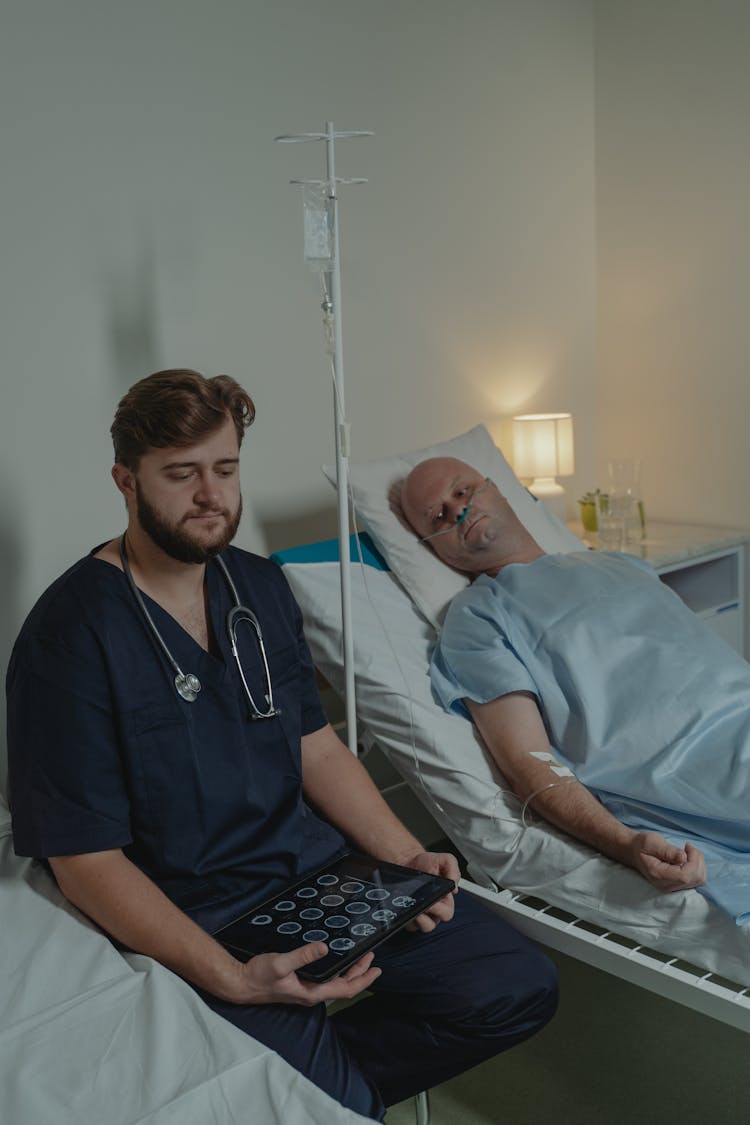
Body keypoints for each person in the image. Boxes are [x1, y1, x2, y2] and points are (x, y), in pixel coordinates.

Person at [6, 373, 557, 1123]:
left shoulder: (258, 587)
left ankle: (335, 1081)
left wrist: (404, 856)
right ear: (125, 481)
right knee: (336, 1106)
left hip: (320, 877)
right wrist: (232, 977)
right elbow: (84, 860)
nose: (210, 494)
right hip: (202, 919)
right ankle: (335, 1089)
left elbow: (316, 747)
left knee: (514, 983)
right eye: (181, 474)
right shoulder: (69, 635)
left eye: (225, 470)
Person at [400, 455, 750, 916]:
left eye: (463, 492)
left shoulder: (618, 564)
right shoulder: (478, 616)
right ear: (435, 548)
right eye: (438, 516)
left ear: (499, 489)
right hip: (692, 766)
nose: (457, 510)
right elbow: (528, 760)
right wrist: (625, 844)